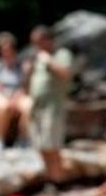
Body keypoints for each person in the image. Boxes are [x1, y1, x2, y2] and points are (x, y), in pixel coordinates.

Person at [24, 26, 73, 184]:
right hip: (36, 107)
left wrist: (48, 61)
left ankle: (60, 180)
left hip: (53, 107)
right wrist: (27, 72)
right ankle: (51, 179)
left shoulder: (61, 54)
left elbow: (65, 74)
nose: (36, 46)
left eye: (38, 42)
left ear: (48, 40)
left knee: (53, 144)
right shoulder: (36, 59)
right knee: (41, 145)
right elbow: (26, 87)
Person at [0, 32, 29, 152]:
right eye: (3, 48)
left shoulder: (21, 64)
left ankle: (23, 139)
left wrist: (27, 72)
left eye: (8, 48)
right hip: (0, 94)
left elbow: (24, 86)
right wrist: (9, 99)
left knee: (29, 106)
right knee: (4, 106)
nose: (5, 50)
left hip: (18, 95)